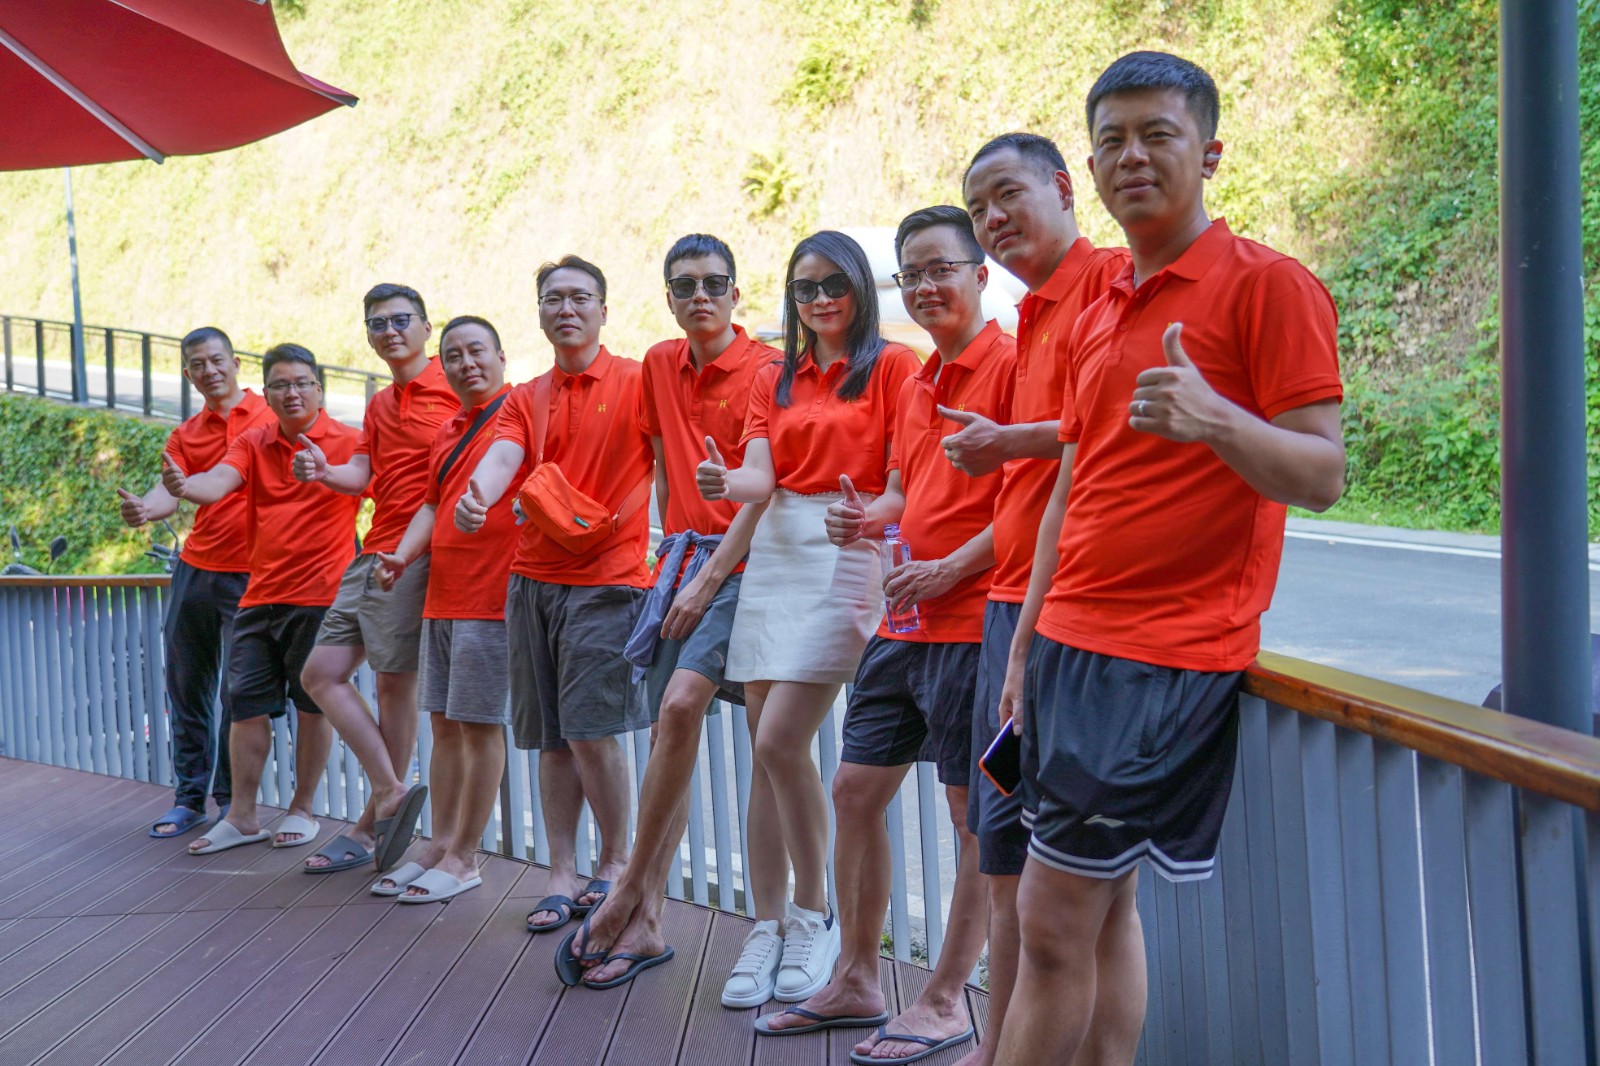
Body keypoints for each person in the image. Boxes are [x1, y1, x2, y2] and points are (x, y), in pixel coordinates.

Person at [995, 52, 1345, 1064]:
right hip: (1068, 645)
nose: (1132, 157)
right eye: (1111, 141)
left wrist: (1216, 419)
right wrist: (1024, 645)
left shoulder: (1268, 286)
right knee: (1099, 916)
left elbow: (1322, 473)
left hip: (1160, 658)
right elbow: (1074, 485)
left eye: (1158, 134)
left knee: (1048, 924)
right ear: (1089, 169)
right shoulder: (1105, 297)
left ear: (1210, 152)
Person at [760, 206, 1015, 1063]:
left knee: (970, 816)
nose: (928, 286)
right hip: (904, 620)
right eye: (914, 274)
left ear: (980, 275)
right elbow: (905, 493)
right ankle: (858, 978)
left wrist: (953, 568)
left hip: (976, 623)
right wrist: (866, 519)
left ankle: (944, 1001)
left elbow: (1034, 501)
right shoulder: (918, 381)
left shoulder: (1012, 367)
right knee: (852, 790)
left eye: (943, 268)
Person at [699, 231, 921, 1010]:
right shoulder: (777, 376)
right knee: (767, 756)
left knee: (778, 741)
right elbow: (760, 477)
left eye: (833, 283)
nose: (819, 299)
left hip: (847, 547)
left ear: (859, 285)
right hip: (779, 549)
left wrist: (870, 521)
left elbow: (903, 485)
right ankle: (767, 925)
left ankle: (815, 912)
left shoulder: (895, 366)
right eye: (804, 288)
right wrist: (725, 481)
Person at [951, 130, 1130, 1066]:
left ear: (1065, 187)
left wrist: (1005, 440)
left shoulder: (1107, 287)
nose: (993, 219)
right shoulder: (1033, 312)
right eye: (978, 209)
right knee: (1008, 856)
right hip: (1012, 602)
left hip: (1061, 612)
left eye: (1006, 195)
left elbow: (1095, 439)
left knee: (1067, 888)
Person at [564, 235, 776, 988]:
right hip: (683, 563)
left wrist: (707, 577)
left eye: (714, 283)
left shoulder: (767, 368)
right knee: (666, 735)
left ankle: (628, 891)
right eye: (684, 286)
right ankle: (648, 917)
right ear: (668, 298)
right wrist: (670, 566)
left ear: (736, 293)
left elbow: (769, 489)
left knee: (686, 708)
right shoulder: (660, 363)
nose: (700, 297)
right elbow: (660, 471)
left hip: (746, 563)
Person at [457, 255, 653, 937]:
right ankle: (561, 871)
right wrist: (479, 494)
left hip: (609, 580)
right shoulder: (526, 396)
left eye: (579, 297)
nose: (565, 309)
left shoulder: (638, 381)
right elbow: (504, 456)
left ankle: (617, 863)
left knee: (593, 732)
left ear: (604, 309)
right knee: (550, 739)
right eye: (552, 299)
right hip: (533, 579)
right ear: (538, 312)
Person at [159, 344, 365, 857]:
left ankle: (302, 808)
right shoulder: (254, 439)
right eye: (279, 385)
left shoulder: (350, 440)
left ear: (319, 389)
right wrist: (185, 486)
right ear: (266, 394)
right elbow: (218, 482)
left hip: (320, 596)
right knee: (244, 706)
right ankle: (242, 816)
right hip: (259, 594)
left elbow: (380, 493)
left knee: (312, 707)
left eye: (301, 383)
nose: (291, 393)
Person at [294, 283, 454, 873]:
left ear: (426, 327)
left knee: (393, 686)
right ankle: (389, 791)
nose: (389, 331)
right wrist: (323, 470)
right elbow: (363, 473)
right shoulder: (381, 403)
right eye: (377, 324)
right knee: (320, 674)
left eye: (400, 320)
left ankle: (369, 825)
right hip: (371, 550)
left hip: (415, 554)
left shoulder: (455, 386)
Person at [370, 316, 519, 902]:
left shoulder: (520, 414)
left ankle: (465, 855)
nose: (465, 363)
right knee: (443, 725)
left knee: (479, 726)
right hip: (443, 592)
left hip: (492, 593)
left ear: (502, 356)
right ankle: (439, 843)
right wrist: (403, 556)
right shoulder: (449, 427)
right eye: (453, 355)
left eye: (476, 351)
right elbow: (431, 505)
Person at [117, 326, 275, 839]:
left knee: (238, 691)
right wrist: (144, 509)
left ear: (235, 362)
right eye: (198, 365)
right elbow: (172, 489)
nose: (210, 370)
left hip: (253, 573)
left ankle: (231, 803)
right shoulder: (186, 432)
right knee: (186, 686)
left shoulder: (271, 414)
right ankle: (188, 800)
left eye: (217, 360)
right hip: (197, 568)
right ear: (188, 374)